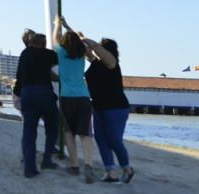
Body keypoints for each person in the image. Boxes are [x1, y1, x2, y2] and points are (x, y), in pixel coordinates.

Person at [83, 34, 134, 184]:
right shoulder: (95, 63)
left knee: (113, 139)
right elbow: (87, 51)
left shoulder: (113, 63)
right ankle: (110, 172)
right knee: (101, 139)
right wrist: (71, 30)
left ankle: (127, 168)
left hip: (116, 107)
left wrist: (88, 40)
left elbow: (95, 48)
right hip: (99, 107)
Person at [54, 15, 96, 183]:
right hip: (84, 97)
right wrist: (67, 25)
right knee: (86, 135)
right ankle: (89, 165)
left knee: (69, 132)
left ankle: (74, 166)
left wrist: (58, 25)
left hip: (67, 97)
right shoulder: (82, 53)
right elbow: (80, 43)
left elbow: (54, 38)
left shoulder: (61, 52)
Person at [15, 30, 59, 177]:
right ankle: (47, 158)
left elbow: (19, 76)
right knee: (52, 126)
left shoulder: (24, 54)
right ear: (44, 44)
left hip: (27, 93)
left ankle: (29, 167)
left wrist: (18, 94)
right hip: (44, 93)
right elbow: (56, 63)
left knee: (29, 132)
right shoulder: (49, 54)